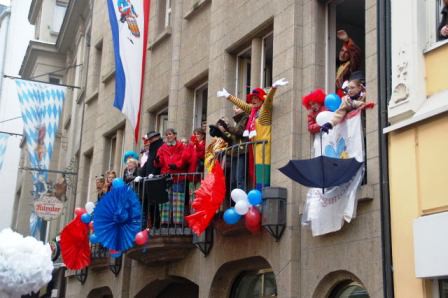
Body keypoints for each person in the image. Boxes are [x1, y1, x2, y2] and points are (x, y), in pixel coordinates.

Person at [217, 78, 288, 190]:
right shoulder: (254, 112)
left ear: (261, 99)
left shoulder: (264, 112)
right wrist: (228, 96)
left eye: (256, 98)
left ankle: (262, 198)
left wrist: (273, 88)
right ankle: (259, 197)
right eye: (252, 98)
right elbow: (242, 104)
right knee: (255, 175)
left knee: (262, 175)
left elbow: (268, 101)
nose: (253, 100)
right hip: (255, 148)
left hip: (263, 148)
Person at [155, 128, 189, 226]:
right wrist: (157, 161)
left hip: (178, 177)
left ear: (174, 135)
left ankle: (177, 222)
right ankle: (165, 222)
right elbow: (159, 162)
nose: (168, 136)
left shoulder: (181, 146)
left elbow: (184, 158)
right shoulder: (162, 148)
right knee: (165, 199)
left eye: (170, 134)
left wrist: (177, 165)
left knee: (178, 199)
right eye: (167, 134)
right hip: (165, 176)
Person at [219, 106, 249, 190]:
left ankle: (241, 201)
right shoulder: (239, 121)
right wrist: (222, 132)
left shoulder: (246, 118)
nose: (234, 110)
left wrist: (227, 126)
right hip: (235, 152)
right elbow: (232, 138)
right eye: (234, 108)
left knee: (239, 179)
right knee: (233, 181)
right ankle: (234, 202)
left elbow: (240, 132)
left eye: (238, 108)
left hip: (242, 151)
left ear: (244, 108)